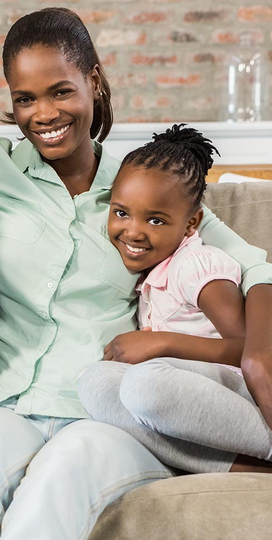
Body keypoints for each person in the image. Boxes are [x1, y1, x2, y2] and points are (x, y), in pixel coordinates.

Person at [0, 8, 272, 540]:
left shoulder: (141, 187)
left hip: (104, 415)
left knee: (65, 471)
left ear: (93, 81)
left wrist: (257, 352)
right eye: (25, 99)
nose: (44, 113)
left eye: (61, 91)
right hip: (8, 403)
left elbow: (253, 264)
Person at [78, 124, 272, 474]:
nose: (133, 231)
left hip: (237, 395)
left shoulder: (196, 266)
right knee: (95, 383)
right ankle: (241, 468)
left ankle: (267, 447)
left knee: (145, 383)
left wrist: (161, 344)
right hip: (192, 400)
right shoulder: (152, 276)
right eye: (121, 213)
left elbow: (247, 347)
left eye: (155, 220)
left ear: (190, 224)